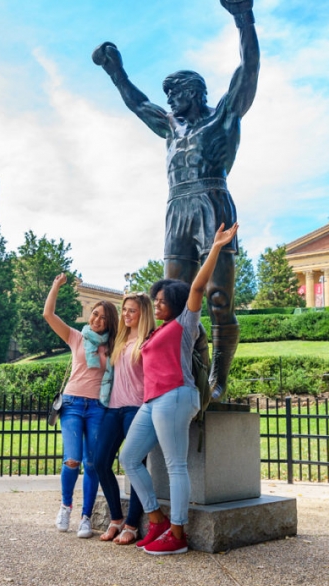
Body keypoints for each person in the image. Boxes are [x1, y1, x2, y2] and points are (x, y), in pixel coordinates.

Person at [92, 0, 259, 402]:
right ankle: (189, 374)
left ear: (195, 92)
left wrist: (243, 19)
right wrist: (116, 71)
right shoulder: (169, 127)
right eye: (167, 94)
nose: (169, 100)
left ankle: (218, 381)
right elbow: (137, 102)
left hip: (211, 202)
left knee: (218, 298)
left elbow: (249, 69)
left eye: (176, 93)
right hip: (177, 209)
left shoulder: (223, 116)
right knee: (174, 300)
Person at [119, 222, 239, 555]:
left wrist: (215, 247)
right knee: (128, 457)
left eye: (161, 301)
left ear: (174, 302)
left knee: (175, 465)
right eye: (154, 301)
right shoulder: (154, 333)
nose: (156, 305)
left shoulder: (184, 324)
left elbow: (198, 288)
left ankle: (178, 532)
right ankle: (156, 518)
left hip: (176, 395)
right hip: (152, 400)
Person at [43, 273, 118, 538]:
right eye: (95, 314)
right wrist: (56, 286)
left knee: (93, 463)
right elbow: (49, 315)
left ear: (110, 323)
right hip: (73, 404)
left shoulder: (113, 345)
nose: (97, 320)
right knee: (72, 459)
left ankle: (86, 517)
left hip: (98, 407)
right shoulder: (77, 337)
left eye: (103, 318)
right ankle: (65, 507)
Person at [93, 292, 155, 545]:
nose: (127, 315)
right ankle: (116, 519)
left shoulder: (149, 340)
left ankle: (132, 524)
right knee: (99, 462)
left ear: (143, 313)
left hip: (136, 409)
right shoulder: (119, 338)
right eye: (125, 310)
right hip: (113, 408)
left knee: (135, 465)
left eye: (132, 310)